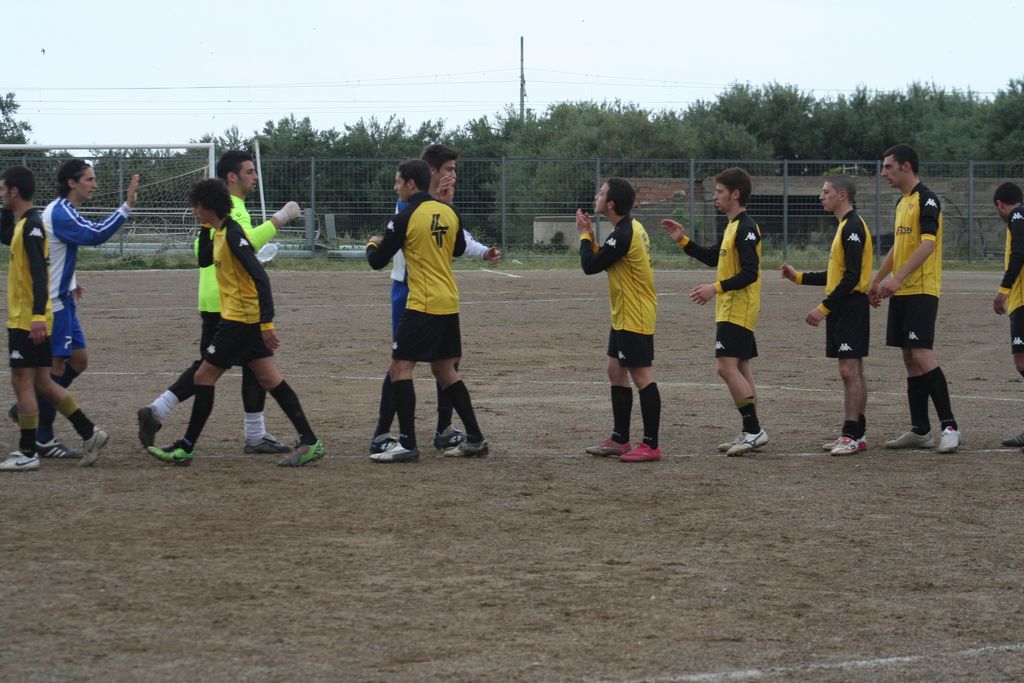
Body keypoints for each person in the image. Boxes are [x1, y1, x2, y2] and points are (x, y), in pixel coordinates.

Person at [147, 179, 323, 467]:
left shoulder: (232, 234)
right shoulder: (218, 232)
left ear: (209, 206)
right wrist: (205, 227)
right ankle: (310, 441)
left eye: (197, 206)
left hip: (240, 322)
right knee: (271, 380)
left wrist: (266, 324)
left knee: (204, 377)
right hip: (241, 320)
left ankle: (186, 447)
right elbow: (204, 259)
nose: (193, 211)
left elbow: (261, 277)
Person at [369, 143, 500, 455]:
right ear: (431, 173)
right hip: (428, 294)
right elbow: (454, 244)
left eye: (398, 182)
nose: (454, 175)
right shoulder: (430, 209)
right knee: (432, 367)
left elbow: (380, 258)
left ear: (410, 183)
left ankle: (422, 437)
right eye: (449, 169)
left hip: (424, 298)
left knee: (407, 365)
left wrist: (372, 244)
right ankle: (389, 432)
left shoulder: (418, 211)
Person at [9, 159, 137, 459]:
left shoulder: (64, 210)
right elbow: (95, 234)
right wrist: (127, 207)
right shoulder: (60, 212)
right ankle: (43, 436)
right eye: (89, 179)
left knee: (78, 361)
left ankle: (36, 403)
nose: (94, 184)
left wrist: (72, 280)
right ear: (72, 183)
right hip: (52, 305)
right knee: (52, 370)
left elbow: (57, 252)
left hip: (64, 299)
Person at [0, 166, 108, 471]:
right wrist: (4, 208)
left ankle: (28, 452)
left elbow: (40, 274)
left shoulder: (32, 227)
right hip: (29, 317)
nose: (1, 194)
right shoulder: (25, 225)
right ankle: (90, 432)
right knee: (43, 383)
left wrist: (36, 316)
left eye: (3, 190)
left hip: (28, 319)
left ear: (15, 191)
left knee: (22, 382)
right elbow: (4, 234)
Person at [660, 167, 768, 456]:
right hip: (730, 309)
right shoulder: (732, 226)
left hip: (738, 309)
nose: (714, 197)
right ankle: (751, 430)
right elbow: (712, 257)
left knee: (725, 367)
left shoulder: (746, 228)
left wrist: (714, 288)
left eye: (719, 192)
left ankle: (754, 430)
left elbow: (750, 273)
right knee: (741, 369)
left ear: (735, 194)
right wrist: (682, 240)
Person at [869, 144, 961, 453]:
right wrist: (878, 279)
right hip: (902, 291)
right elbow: (898, 248)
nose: (883, 173)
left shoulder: (927, 198)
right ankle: (920, 430)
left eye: (888, 167)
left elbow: (927, 244)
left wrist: (898, 278)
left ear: (906, 166)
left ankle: (950, 427)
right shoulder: (901, 203)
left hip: (921, 289)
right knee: (909, 359)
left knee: (922, 355)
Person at [780, 174, 873, 456]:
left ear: (842, 195)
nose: (821, 197)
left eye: (826, 192)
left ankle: (851, 435)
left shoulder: (853, 227)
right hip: (843, 305)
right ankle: (856, 433)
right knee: (852, 369)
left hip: (851, 306)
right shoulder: (844, 226)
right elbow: (835, 275)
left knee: (849, 369)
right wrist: (799, 278)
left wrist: (823, 309)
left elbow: (851, 277)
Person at [575, 178, 662, 462]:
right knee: (615, 371)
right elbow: (605, 258)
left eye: (601, 193)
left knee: (642, 377)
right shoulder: (626, 229)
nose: (596, 196)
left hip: (635, 315)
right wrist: (591, 237)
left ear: (611, 204)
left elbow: (590, 266)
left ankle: (650, 444)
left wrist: (584, 235)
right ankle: (620, 439)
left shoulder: (623, 234)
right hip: (625, 314)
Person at [992, 182, 1024, 447]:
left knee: (1022, 362)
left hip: (1022, 300)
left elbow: (1019, 253)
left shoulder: (1017, 216)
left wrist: (1004, 289)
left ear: (1000, 204)